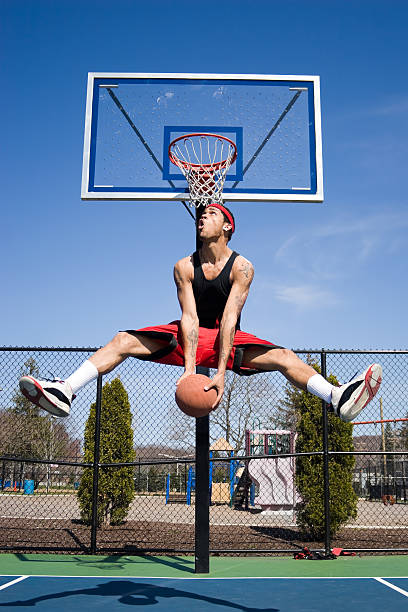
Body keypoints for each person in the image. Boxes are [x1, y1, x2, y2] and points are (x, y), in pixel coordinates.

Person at [19, 203, 382, 421]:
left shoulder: (243, 267)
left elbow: (229, 320)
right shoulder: (184, 266)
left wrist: (220, 374)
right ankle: (65, 390)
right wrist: (191, 370)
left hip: (228, 338)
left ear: (227, 226)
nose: (201, 218)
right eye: (200, 215)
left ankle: (337, 398)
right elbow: (189, 318)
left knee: (285, 356)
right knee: (122, 340)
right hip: (188, 337)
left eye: (210, 214)